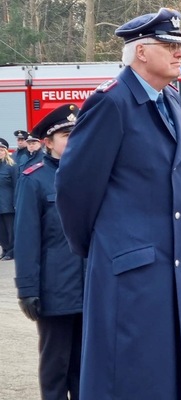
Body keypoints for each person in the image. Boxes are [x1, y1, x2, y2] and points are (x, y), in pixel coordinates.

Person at [54, 9, 181, 399]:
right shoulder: (111, 103)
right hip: (130, 274)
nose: (180, 53)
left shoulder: (169, 100)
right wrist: (103, 249)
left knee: (175, 379)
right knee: (133, 380)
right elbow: (74, 189)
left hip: (175, 270)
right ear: (141, 52)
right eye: (169, 45)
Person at [14, 103, 85, 400]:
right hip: (56, 291)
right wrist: (27, 290)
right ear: (48, 142)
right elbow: (26, 239)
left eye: (77, 133)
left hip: (91, 290)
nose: (74, 139)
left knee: (85, 369)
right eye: (66, 135)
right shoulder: (34, 179)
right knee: (55, 367)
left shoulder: (90, 174)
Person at [0, 138, 16, 261]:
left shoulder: (11, 166)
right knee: (1, 231)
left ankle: (11, 251)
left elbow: (16, 185)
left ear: (6, 151)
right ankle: (5, 249)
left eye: (1, 150)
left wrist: (16, 202)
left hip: (8, 204)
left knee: (11, 230)